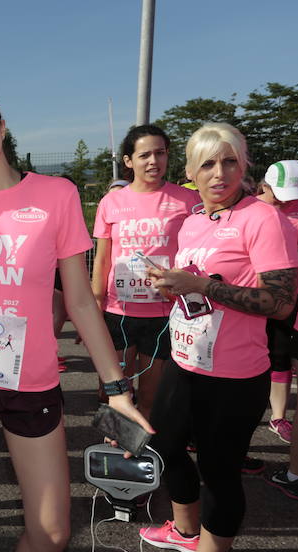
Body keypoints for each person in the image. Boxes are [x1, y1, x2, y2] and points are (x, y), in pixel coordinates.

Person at [0, 83, 146, 552]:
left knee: (51, 531)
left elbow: (80, 301)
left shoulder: (56, 195)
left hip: (31, 380)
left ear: (3, 126)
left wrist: (116, 386)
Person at [142, 123, 298, 552]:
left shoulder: (261, 218)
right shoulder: (192, 221)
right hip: (186, 362)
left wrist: (203, 286)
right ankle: (187, 533)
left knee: (219, 470)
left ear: (244, 165)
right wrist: (171, 284)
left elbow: (281, 303)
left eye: (229, 161)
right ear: (190, 172)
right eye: (207, 164)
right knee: (164, 445)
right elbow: (197, 282)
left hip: (233, 376)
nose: (219, 173)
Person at [91, 125, 198, 418]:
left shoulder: (188, 200)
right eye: (144, 155)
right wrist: (94, 308)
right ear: (128, 161)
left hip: (164, 314)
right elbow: (102, 260)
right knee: (112, 394)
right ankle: (116, 453)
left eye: (160, 153)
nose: (153, 161)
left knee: (152, 398)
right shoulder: (111, 202)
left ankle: (144, 458)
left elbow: (199, 254)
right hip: (118, 313)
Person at [256, 160, 298, 444]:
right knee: (269, 358)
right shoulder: (255, 209)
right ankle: (272, 416)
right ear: (265, 186)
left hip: (296, 300)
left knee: (284, 357)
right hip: (265, 297)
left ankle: (278, 416)